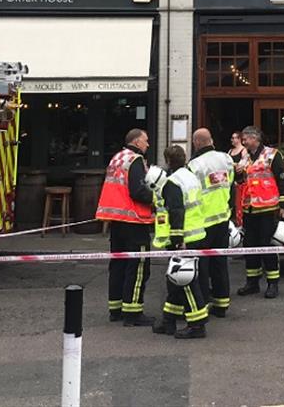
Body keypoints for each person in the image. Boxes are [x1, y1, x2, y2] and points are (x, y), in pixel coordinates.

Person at [96, 128, 156, 325]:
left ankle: (116, 309)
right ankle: (133, 312)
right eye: (145, 141)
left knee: (118, 265)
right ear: (137, 141)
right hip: (134, 221)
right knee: (138, 267)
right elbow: (138, 191)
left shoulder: (118, 158)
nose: (148, 144)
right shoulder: (135, 160)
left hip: (117, 221)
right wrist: (157, 199)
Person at [152, 145, 209, 339]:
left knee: (186, 281)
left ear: (167, 161)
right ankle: (169, 319)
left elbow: (176, 212)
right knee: (175, 280)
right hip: (196, 234)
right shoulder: (190, 176)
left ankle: (197, 325)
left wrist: (177, 240)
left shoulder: (173, 182)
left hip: (184, 238)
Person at [235, 125, 284, 299]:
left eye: (246, 138)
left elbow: (282, 178)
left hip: (268, 208)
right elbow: (241, 181)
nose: (243, 141)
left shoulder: (272, 155)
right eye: (243, 139)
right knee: (249, 246)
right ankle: (252, 282)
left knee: (266, 245)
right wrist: (237, 174)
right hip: (249, 208)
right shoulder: (245, 157)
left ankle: (272, 283)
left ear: (256, 138)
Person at [187, 128, 235, 318]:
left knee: (203, 264)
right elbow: (231, 183)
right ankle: (222, 305)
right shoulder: (226, 159)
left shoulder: (194, 165)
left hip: (203, 221)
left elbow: (191, 191)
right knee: (220, 262)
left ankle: (204, 303)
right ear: (211, 140)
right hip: (223, 217)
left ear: (197, 143)